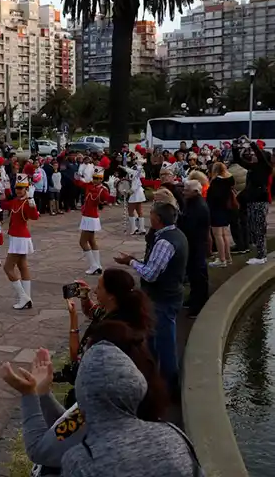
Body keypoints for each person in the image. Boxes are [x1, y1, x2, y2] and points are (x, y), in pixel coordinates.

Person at [60, 341, 200, 476]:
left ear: (83, 396)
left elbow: (48, 446)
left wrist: (44, 395)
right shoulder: (173, 437)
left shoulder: (80, 462)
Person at [114, 201, 188, 393]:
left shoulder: (164, 242)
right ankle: (153, 378)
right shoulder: (176, 234)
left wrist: (131, 262)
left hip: (163, 298)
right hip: (169, 294)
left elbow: (150, 274)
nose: (149, 217)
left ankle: (170, 386)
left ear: (158, 219)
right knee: (154, 339)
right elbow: (156, 266)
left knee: (165, 343)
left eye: (152, 214)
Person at [57, 269, 153, 407]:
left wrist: (73, 318)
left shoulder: (110, 331)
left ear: (111, 296)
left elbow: (76, 357)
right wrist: (85, 298)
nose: (95, 291)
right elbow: (94, 312)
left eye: (99, 288)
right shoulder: (124, 312)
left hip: (99, 396)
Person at [1, 174, 40, 310]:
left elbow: (34, 217)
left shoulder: (27, 202)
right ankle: (27, 298)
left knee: (8, 268)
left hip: (20, 238)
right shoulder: (16, 201)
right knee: (22, 266)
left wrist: (31, 200)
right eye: (17, 187)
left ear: (26, 189)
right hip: (15, 237)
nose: (18, 190)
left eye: (21, 188)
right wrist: (4, 185)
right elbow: (3, 203)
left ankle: (24, 297)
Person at [232, 137, 272, 264]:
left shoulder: (266, 167)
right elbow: (238, 160)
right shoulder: (252, 167)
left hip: (260, 201)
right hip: (252, 200)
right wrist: (235, 147)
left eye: (255, 154)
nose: (252, 156)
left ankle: (261, 256)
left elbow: (261, 156)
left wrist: (252, 144)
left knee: (259, 228)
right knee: (254, 227)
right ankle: (260, 253)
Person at [74, 165, 114, 275]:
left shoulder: (103, 190)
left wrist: (113, 190)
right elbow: (80, 184)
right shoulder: (90, 185)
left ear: (101, 179)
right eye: (94, 178)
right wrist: (77, 177)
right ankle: (98, 265)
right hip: (87, 216)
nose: (96, 180)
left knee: (82, 242)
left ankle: (93, 265)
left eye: (98, 178)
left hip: (91, 217)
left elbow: (110, 200)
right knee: (91, 241)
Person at [179, 180, 211, 318]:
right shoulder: (192, 203)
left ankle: (198, 305)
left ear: (195, 192)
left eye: (186, 190)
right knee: (193, 274)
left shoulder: (198, 207)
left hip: (196, 244)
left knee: (198, 275)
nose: (183, 192)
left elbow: (190, 226)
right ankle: (193, 299)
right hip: (194, 243)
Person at [207, 162, 235, 267]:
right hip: (225, 209)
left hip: (216, 210)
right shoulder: (228, 180)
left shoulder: (216, 182)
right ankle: (228, 257)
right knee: (225, 235)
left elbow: (212, 198)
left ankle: (222, 259)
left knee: (218, 235)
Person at [121, 153, 148, 235]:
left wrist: (130, 191)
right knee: (139, 210)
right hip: (139, 191)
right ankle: (142, 229)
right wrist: (122, 167)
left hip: (135, 192)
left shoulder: (136, 169)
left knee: (131, 210)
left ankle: (134, 229)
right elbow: (128, 171)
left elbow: (135, 182)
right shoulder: (136, 168)